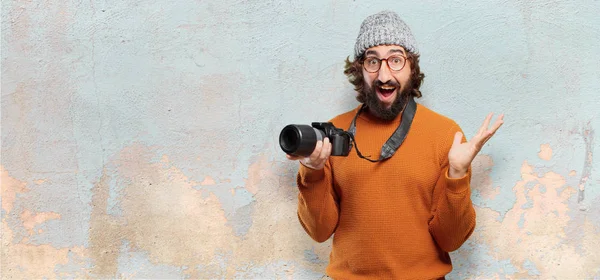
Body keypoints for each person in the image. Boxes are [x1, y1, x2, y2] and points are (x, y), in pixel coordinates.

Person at [285, 10, 504, 279]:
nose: (384, 74)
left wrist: (457, 175)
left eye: (396, 60)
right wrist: (313, 172)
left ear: (412, 68)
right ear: (359, 69)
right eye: (372, 61)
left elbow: (451, 241)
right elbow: (319, 232)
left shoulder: (446, 134)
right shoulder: (333, 134)